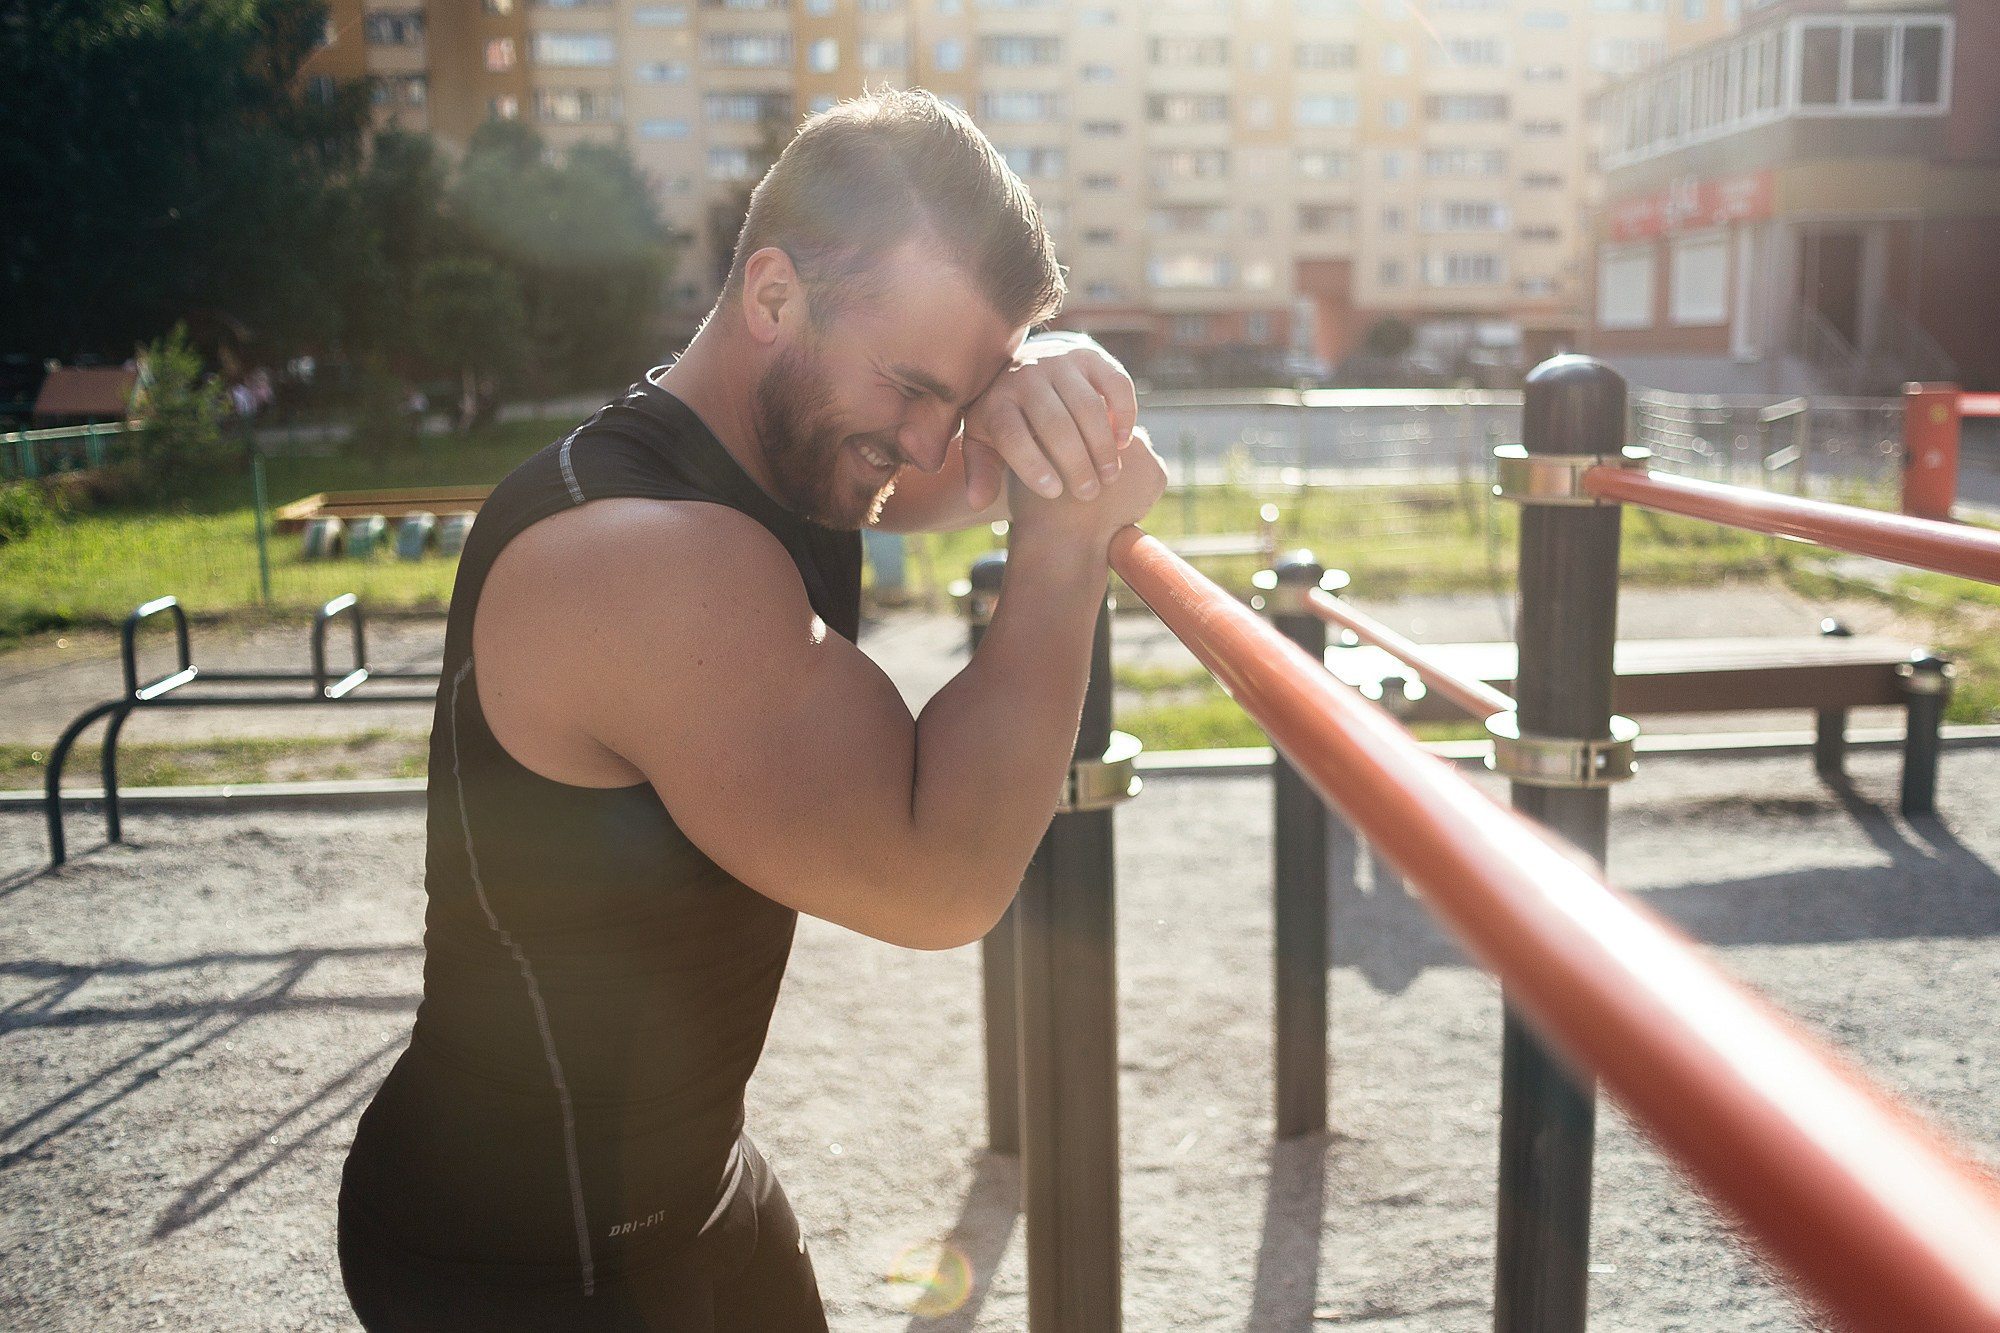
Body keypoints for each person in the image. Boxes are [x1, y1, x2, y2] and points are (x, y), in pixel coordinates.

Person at [337, 88, 1165, 1332]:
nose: (931, 438)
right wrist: (1063, 550)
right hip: (525, 1257)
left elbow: (966, 460)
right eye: (913, 386)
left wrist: (1040, 390)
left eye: (961, 393)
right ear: (773, 297)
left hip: (692, 1186)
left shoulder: (770, 445)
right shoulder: (647, 561)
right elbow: (935, 878)